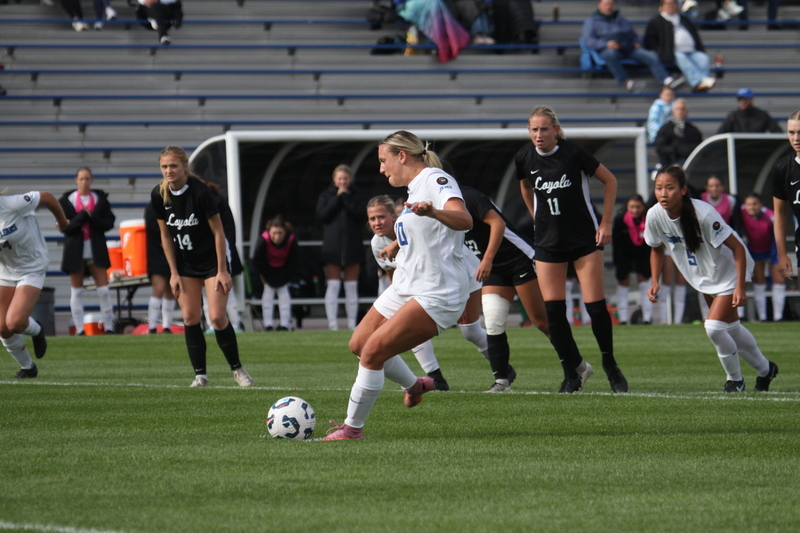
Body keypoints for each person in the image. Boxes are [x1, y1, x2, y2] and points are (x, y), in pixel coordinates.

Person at [321, 131, 473, 441]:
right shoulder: (412, 189)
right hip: (406, 285)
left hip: (437, 292)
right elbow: (425, 236)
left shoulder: (435, 179)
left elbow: (464, 219)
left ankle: (352, 429)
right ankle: (415, 386)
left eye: (382, 160)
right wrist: (397, 248)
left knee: (374, 352)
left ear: (402, 156)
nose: (381, 168)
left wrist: (433, 211)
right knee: (359, 345)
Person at [516, 105, 627, 394]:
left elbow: (610, 181)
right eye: (534, 129)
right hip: (548, 242)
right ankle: (571, 373)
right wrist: (537, 218)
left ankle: (610, 365)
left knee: (596, 308)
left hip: (583, 240)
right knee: (554, 312)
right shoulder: (523, 158)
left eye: (544, 129)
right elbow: (525, 188)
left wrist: (605, 224)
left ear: (555, 130)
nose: (539, 134)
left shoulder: (574, 153)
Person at [646, 165, 779, 392]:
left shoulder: (704, 214)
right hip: (704, 274)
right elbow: (656, 247)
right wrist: (655, 280)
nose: (663, 193)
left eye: (670, 188)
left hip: (730, 270)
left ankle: (735, 379)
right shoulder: (655, 214)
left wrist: (740, 287)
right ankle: (766, 370)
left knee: (714, 328)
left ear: (683, 190)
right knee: (731, 328)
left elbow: (737, 249)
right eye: (659, 188)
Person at [151, 146, 253, 388]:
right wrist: (173, 273)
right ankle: (200, 375)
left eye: (173, 166)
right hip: (185, 265)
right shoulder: (158, 195)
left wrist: (222, 270)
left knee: (217, 318)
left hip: (210, 263)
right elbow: (165, 236)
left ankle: (237, 369)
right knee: (190, 317)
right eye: (164, 166)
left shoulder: (201, 193)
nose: (169, 170)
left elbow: (219, 233)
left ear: (185, 167)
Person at [461, 185, 551, 392]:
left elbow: (497, 223)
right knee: (492, 322)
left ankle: (576, 368)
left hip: (519, 259)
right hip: (493, 269)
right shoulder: (434, 207)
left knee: (541, 321)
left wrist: (487, 259)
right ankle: (502, 381)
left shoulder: (469, 196)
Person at [366, 195, 451, 390]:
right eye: (372, 219)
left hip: (441, 280)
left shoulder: (410, 227)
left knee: (470, 330)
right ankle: (435, 378)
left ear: (394, 216)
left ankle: (502, 370)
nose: (377, 223)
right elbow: (392, 275)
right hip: (412, 285)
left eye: (381, 217)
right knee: (404, 325)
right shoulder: (376, 243)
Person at [0, 191, 69, 378]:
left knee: (14, 322)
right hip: (6, 271)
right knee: (2, 327)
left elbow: (47, 197)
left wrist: (62, 222)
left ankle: (37, 329)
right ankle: (28, 368)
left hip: (32, 266)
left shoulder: (13, 204)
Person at [59, 167, 117, 336]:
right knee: (76, 291)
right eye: (81, 179)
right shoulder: (67, 200)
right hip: (75, 250)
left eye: (87, 179)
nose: (84, 182)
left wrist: (92, 216)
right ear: (76, 180)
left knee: (104, 290)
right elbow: (67, 227)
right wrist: (84, 215)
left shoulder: (100, 200)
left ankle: (109, 326)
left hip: (95, 248)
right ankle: (80, 328)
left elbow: (108, 223)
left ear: (91, 180)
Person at [581, 0, 675, 93]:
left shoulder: (622, 20)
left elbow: (633, 34)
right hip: (609, 49)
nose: (609, 7)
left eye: (611, 4)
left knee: (651, 55)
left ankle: (666, 80)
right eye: (606, 4)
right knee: (609, 55)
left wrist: (636, 42)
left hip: (628, 47)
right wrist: (606, 44)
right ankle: (627, 82)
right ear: (599, 6)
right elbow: (589, 40)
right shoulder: (591, 22)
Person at [315, 164, 367, 331]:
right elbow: (322, 215)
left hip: (353, 246)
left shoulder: (357, 195)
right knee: (333, 285)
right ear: (334, 180)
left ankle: (352, 324)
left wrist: (346, 198)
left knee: (351, 287)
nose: (343, 181)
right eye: (340, 178)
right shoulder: (326, 196)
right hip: (332, 248)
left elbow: (361, 214)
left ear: (350, 179)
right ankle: (333, 324)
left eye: (345, 178)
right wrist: (337, 198)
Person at [644, 0, 717, 92]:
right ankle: (697, 82)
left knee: (703, 58)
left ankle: (704, 82)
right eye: (668, 3)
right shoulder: (656, 21)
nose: (671, 6)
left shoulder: (683, 19)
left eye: (673, 3)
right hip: (672, 52)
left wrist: (700, 48)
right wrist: (660, 51)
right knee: (681, 58)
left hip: (691, 51)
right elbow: (650, 39)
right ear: (662, 6)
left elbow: (695, 35)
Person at [201, 180, 243, 334]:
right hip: (205, 250)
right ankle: (218, 324)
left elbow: (225, 232)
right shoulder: (217, 201)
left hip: (219, 250)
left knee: (223, 289)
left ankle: (233, 323)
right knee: (207, 291)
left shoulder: (214, 203)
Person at [740, 193, 786, 321]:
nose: (752, 207)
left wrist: (778, 254)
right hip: (754, 251)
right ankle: (762, 317)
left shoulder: (771, 215)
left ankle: (778, 317)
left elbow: (779, 232)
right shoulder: (741, 212)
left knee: (778, 280)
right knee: (759, 281)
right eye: (749, 204)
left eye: (755, 204)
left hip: (772, 250)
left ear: (761, 205)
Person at [251, 215, 299, 331]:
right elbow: (257, 260)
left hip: (284, 272)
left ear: (285, 232)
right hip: (267, 272)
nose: (277, 237)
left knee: (284, 298)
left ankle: (284, 325)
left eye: (280, 233)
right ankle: (268, 325)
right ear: (269, 231)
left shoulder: (291, 241)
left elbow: (294, 261)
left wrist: (287, 277)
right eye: (274, 233)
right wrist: (262, 276)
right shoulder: (263, 240)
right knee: (267, 297)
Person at [770, 109, 800, 286]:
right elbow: (780, 214)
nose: (796, 138)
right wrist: (781, 254)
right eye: (791, 132)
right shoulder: (783, 168)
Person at [612, 195, 653, 325]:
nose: (635, 210)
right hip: (624, 255)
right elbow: (617, 244)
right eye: (632, 207)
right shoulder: (620, 220)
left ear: (643, 207)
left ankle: (647, 318)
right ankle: (623, 319)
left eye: (638, 207)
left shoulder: (648, 219)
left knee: (644, 283)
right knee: (623, 283)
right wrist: (619, 262)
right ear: (627, 207)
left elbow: (651, 243)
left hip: (643, 254)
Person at [144, 201, 176, 334]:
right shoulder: (152, 206)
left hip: (175, 252)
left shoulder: (176, 204)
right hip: (157, 252)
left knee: (171, 290)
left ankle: (167, 326)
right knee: (159, 288)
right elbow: (154, 229)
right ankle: (152, 326)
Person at [655, 98, 703, 167]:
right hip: (668, 163)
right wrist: (675, 150)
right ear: (673, 111)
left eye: (683, 109)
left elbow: (698, 148)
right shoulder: (665, 129)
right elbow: (660, 148)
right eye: (678, 109)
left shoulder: (693, 130)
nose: (680, 112)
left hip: (689, 164)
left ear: (687, 111)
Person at [717, 88, 782, 134]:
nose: (742, 102)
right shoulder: (733, 116)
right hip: (738, 150)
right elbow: (720, 134)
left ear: (751, 100)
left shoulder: (762, 115)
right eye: (740, 99)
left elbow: (777, 131)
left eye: (745, 99)